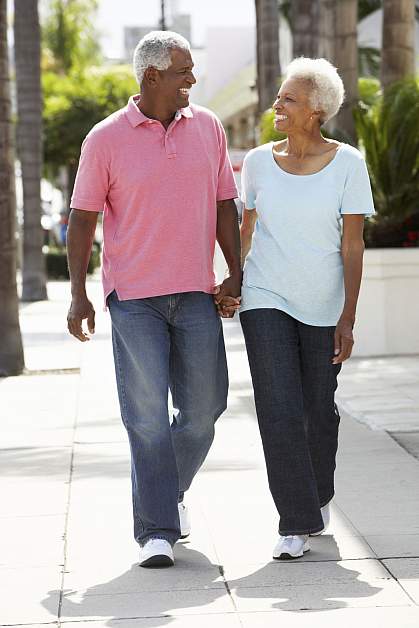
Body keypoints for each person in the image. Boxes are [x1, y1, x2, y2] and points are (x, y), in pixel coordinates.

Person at [66, 31, 241, 568]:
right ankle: (157, 529)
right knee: (145, 415)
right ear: (151, 77)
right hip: (134, 296)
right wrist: (78, 294)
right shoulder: (105, 139)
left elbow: (224, 204)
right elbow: (82, 218)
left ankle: (165, 494)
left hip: (195, 292)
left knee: (205, 410)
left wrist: (236, 273)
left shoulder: (208, 127)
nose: (192, 78)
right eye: (183, 71)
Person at [234, 57, 375, 560]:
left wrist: (348, 317)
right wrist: (233, 279)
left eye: (287, 99)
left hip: (322, 303)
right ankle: (294, 520)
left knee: (319, 410)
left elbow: (353, 246)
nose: (276, 104)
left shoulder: (349, 164)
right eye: (280, 96)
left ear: (315, 112)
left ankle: (316, 497)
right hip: (265, 296)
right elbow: (245, 229)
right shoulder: (254, 162)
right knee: (278, 407)